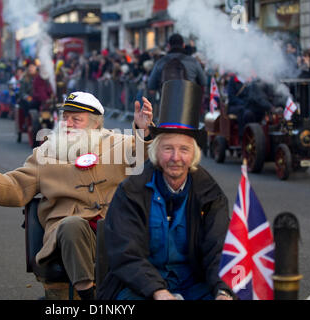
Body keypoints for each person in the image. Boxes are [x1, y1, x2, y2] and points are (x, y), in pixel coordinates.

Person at [0, 91, 154, 300]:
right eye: (65, 118)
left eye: (76, 119)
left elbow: (146, 160)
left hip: (114, 225)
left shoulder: (120, 143)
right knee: (72, 225)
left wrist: (144, 132)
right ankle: (89, 295)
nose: (67, 123)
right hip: (67, 231)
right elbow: (17, 186)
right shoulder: (45, 153)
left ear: (95, 124)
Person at [98, 80, 235, 300]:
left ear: (194, 155)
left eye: (183, 149)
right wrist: (158, 292)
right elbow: (126, 253)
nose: (175, 158)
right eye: (168, 148)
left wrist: (223, 290)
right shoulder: (131, 191)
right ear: (155, 151)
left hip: (195, 285)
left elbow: (218, 248)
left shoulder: (211, 194)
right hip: (140, 286)